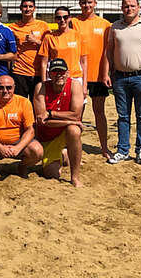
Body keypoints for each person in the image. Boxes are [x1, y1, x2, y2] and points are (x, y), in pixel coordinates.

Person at [103, 0, 141, 166]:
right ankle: (122, 150)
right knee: (123, 116)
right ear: (122, 8)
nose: (129, 9)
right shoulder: (115, 27)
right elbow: (109, 52)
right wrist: (107, 73)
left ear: (138, 7)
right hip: (120, 77)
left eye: (132, 6)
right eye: (126, 6)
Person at [71, 0, 112, 158]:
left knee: (99, 112)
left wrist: (106, 73)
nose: (86, 5)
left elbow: (108, 52)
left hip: (98, 75)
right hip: (79, 76)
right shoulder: (73, 22)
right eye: (83, 2)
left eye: (89, 2)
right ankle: (74, 149)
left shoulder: (105, 24)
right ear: (79, 4)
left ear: (95, 3)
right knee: (76, 114)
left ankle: (104, 147)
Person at [0, 75, 42, 178]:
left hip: (18, 142)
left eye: (9, 87)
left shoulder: (24, 102)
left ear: (14, 87)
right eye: (1, 87)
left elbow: (31, 130)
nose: (5, 90)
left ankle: (22, 166)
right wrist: (0, 148)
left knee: (37, 150)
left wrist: (18, 148)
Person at [33, 58, 85, 188]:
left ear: (67, 73)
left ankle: (75, 177)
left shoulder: (74, 85)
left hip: (63, 134)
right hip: (46, 138)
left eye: (61, 72)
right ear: (49, 74)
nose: (58, 75)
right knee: (52, 174)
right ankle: (65, 155)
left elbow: (76, 114)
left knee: (74, 130)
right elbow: (42, 121)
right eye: (55, 72)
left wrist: (51, 113)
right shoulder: (41, 87)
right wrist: (69, 121)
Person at [38, 7, 88, 96]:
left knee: (77, 108)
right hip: (56, 78)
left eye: (65, 17)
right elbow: (44, 63)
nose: (62, 20)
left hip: (75, 77)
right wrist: (44, 83)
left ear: (70, 18)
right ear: (55, 19)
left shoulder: (78, 36)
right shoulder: (49, 37)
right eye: (58, 18)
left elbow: (83, 62)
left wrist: (84, 85)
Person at [9, 0, 49, 101]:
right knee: (20, 105)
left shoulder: (43, 25)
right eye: (25, 6)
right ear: (20, 8)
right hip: (19, 72)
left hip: (38, 73)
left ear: (34, 8)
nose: (27, 9)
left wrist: (36, 41)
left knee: (37, 106)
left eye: (30, 6)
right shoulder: (13, 27)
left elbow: (50, 47)